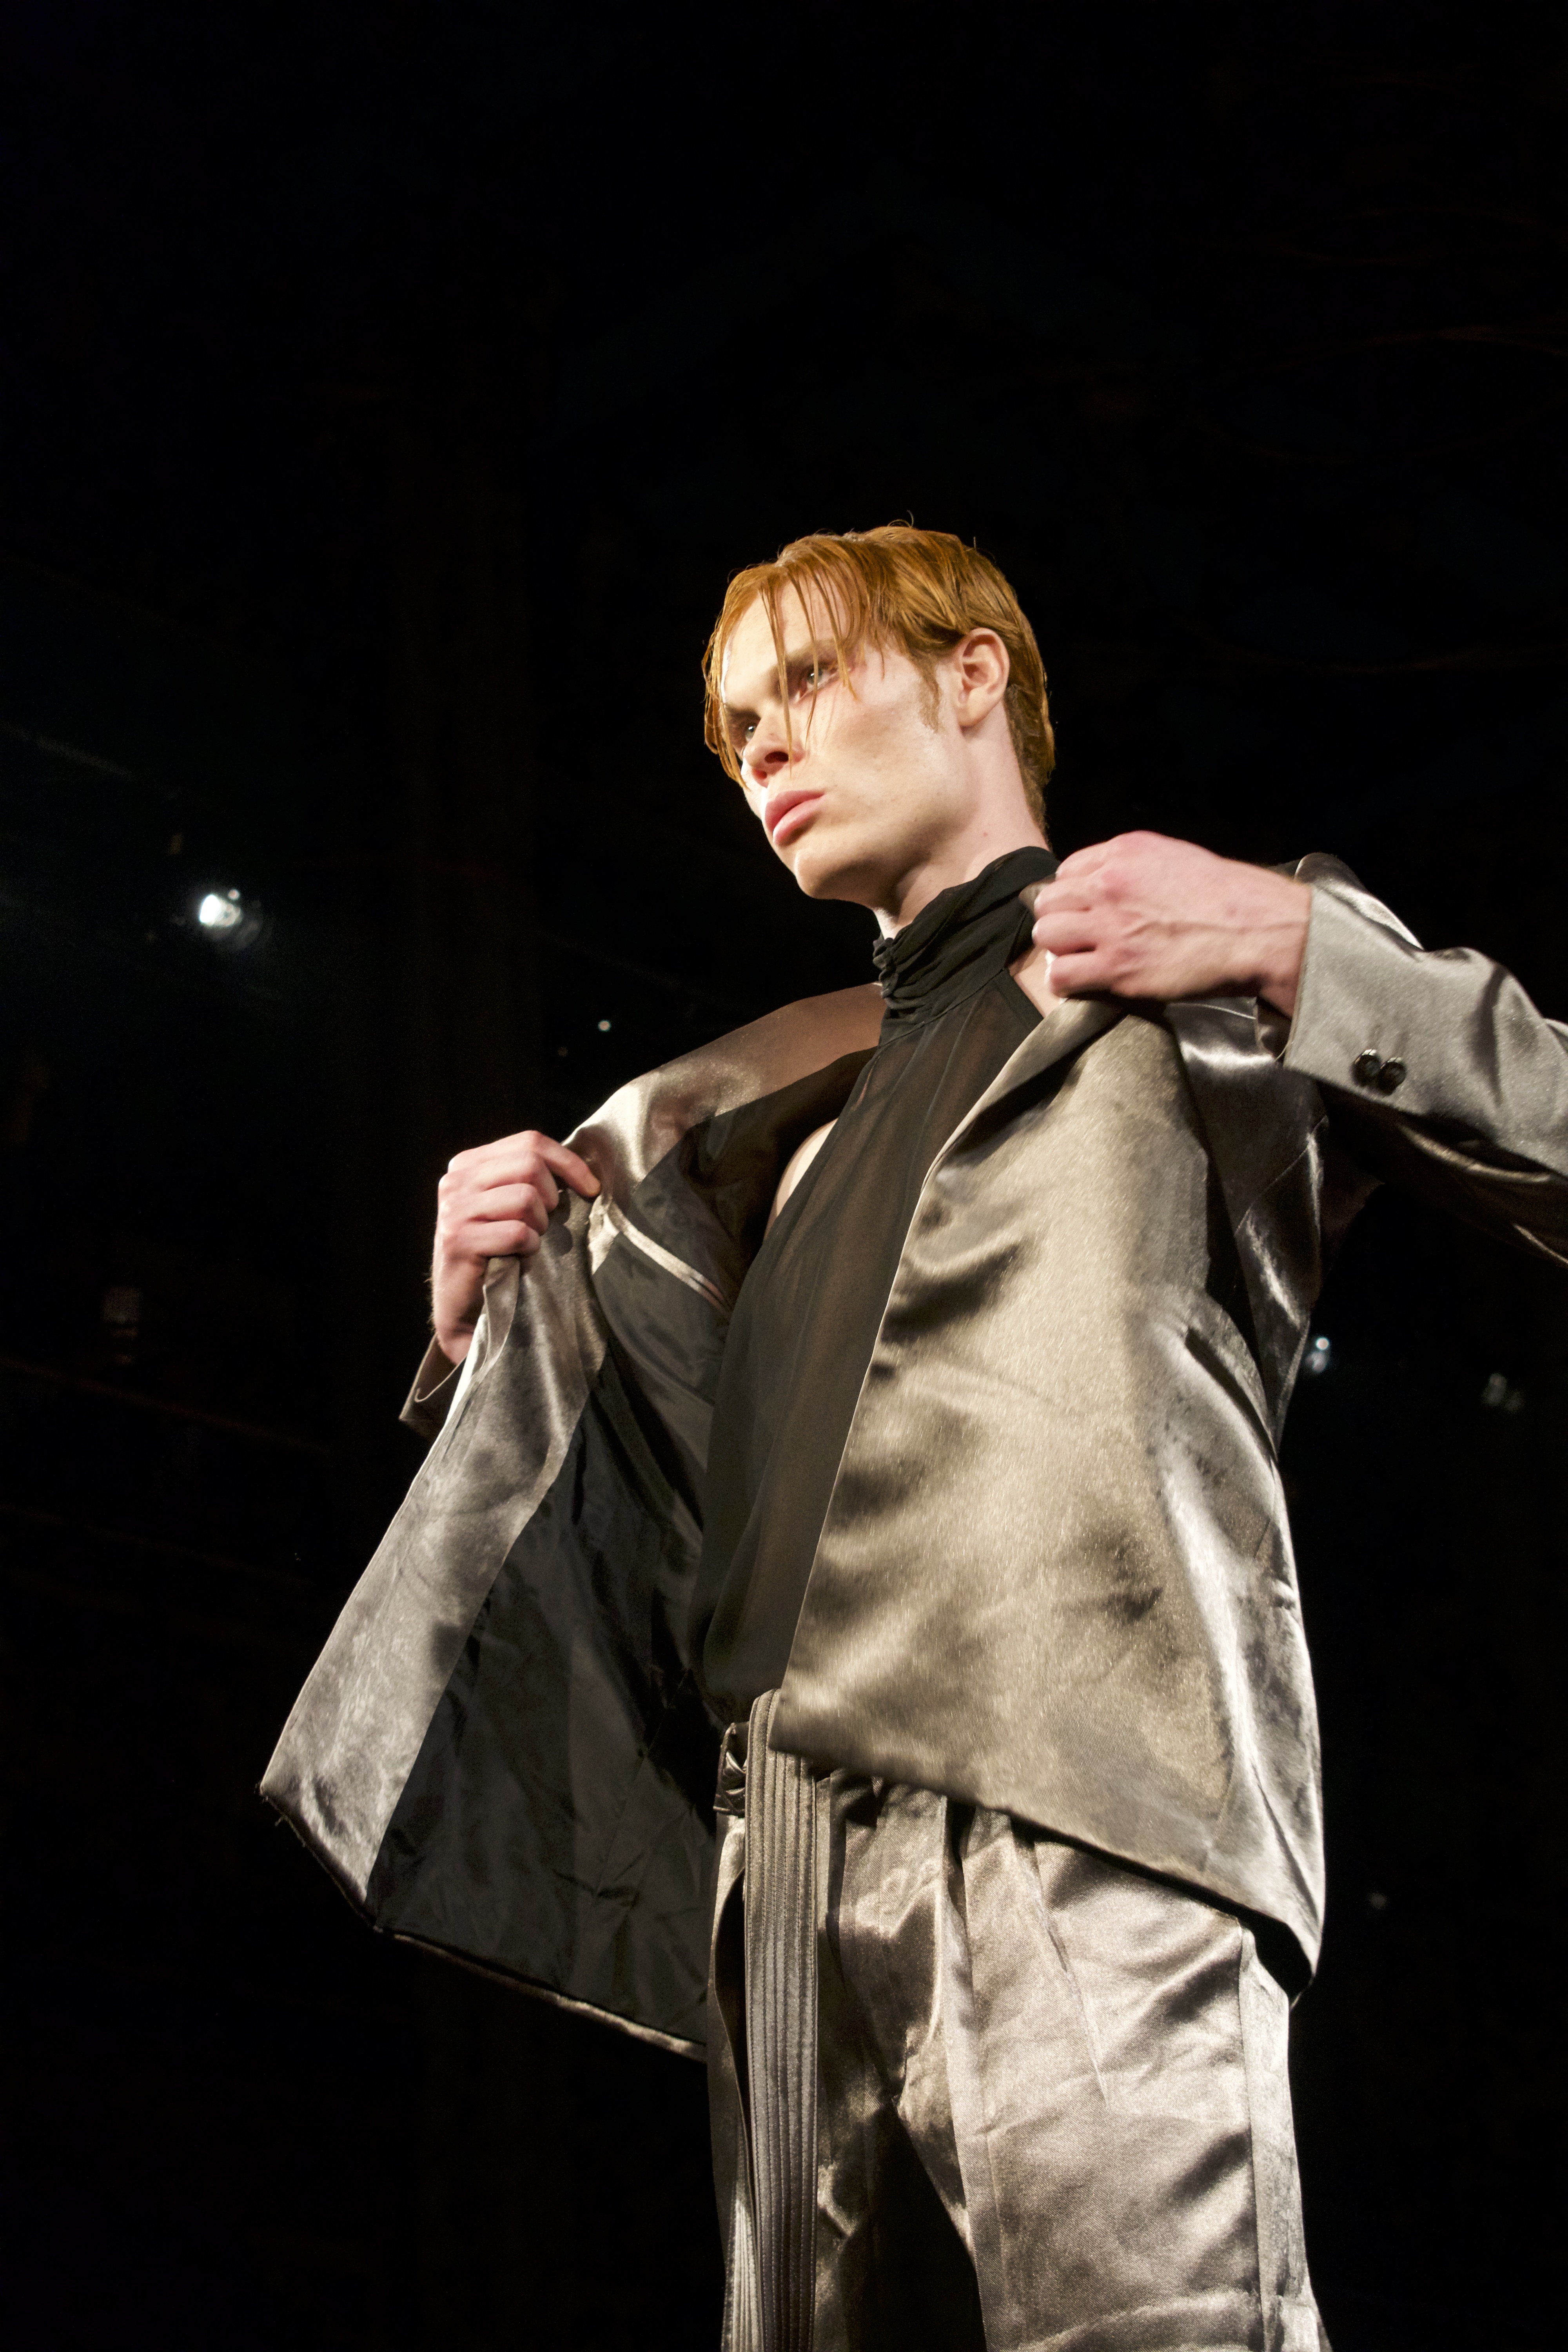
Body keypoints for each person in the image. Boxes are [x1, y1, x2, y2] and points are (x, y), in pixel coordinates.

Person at [265, 526, 1568, 2352]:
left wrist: (1290, 941)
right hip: (785, 1844)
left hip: (1087, 1775)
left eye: (809, 681)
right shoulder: (747, 1122)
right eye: (739, 728)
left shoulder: (1208, 958)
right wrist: (496, 1332)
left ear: (973, 678)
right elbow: (675, 1509)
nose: (767, 748)